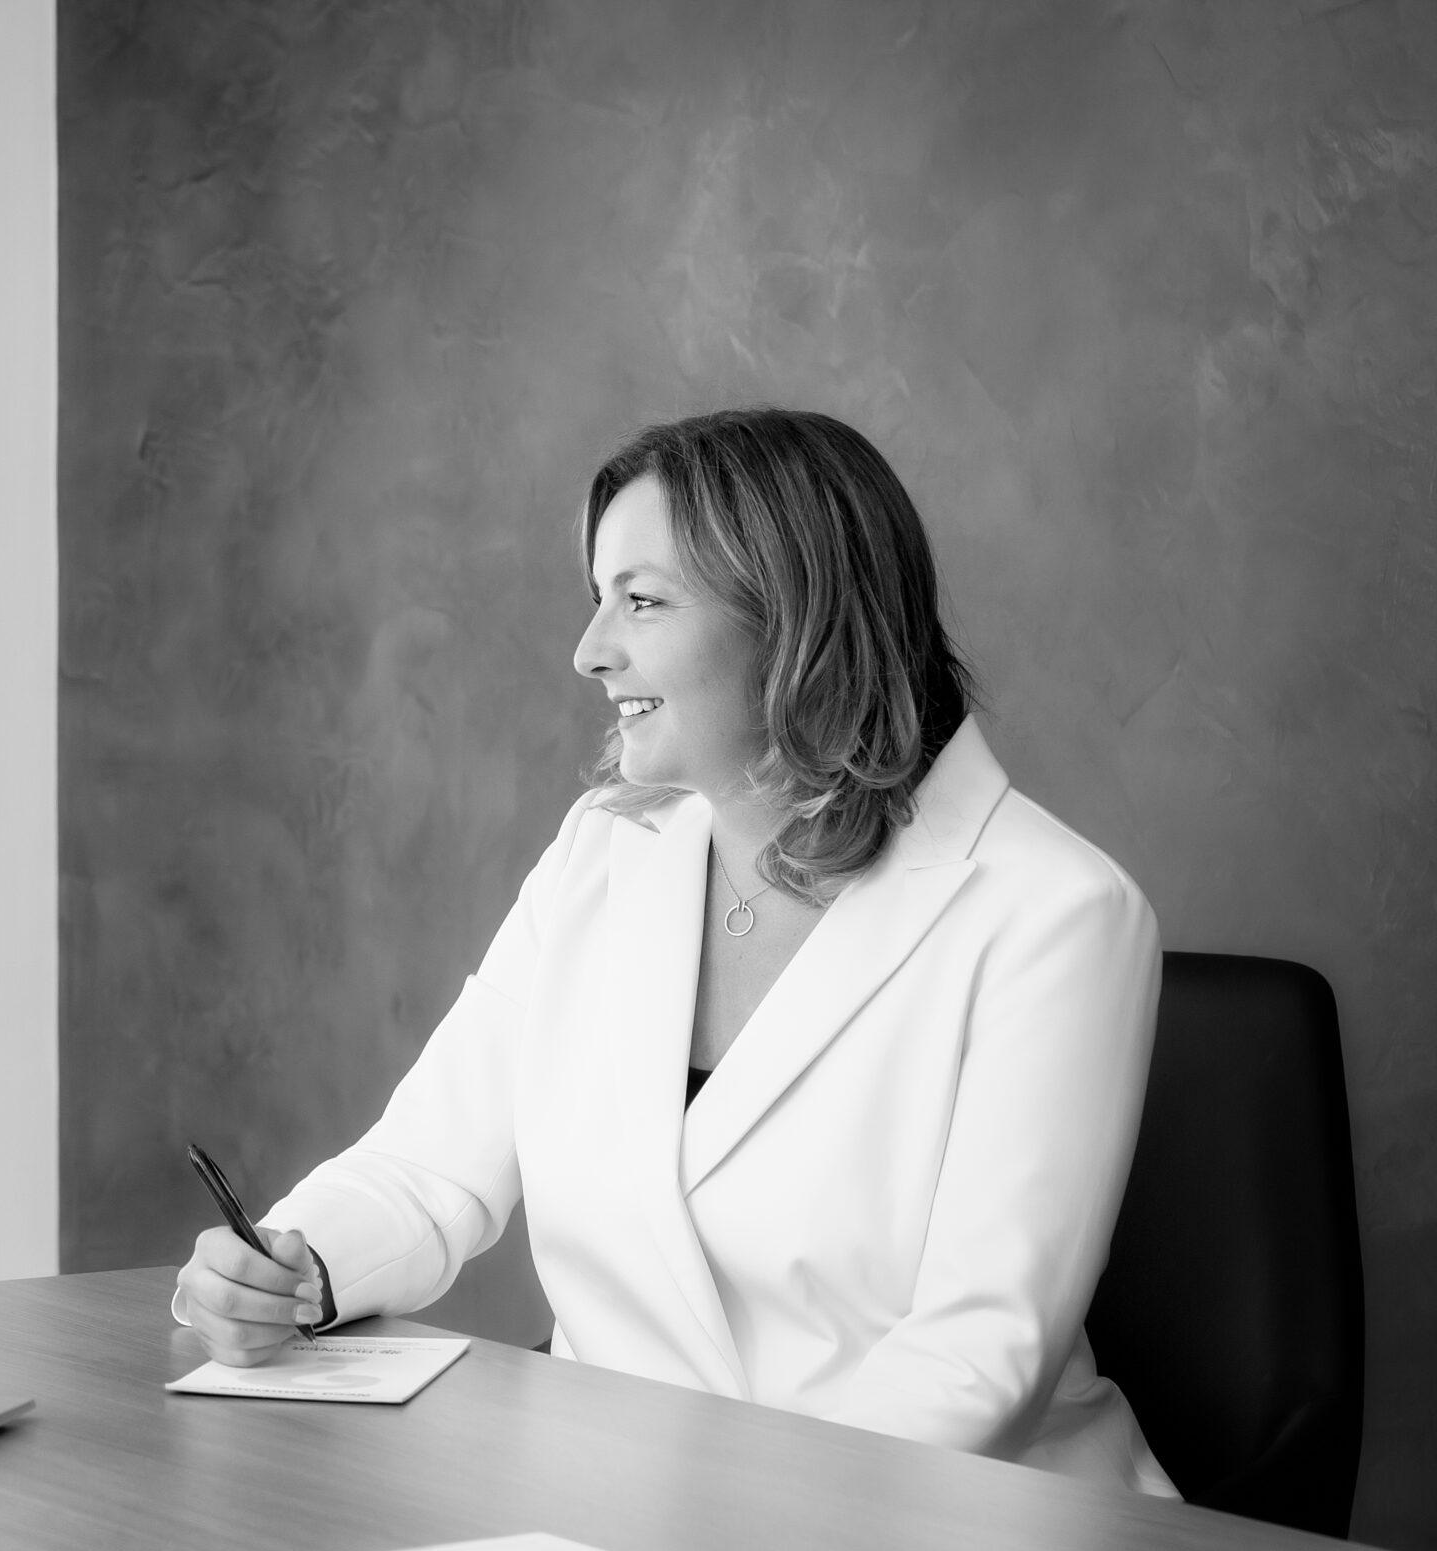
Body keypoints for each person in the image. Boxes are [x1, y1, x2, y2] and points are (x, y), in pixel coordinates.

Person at [173, 408, 1175, 1496]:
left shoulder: (1057, 911)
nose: (589, 648)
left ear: (795, 620)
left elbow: (977, 1360)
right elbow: (426, 1164)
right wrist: (293, 1264)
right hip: (620, 1520)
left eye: (641, 601)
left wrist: (709, 1532)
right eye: (597, 597)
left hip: (927, 1545)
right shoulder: (601, 853)